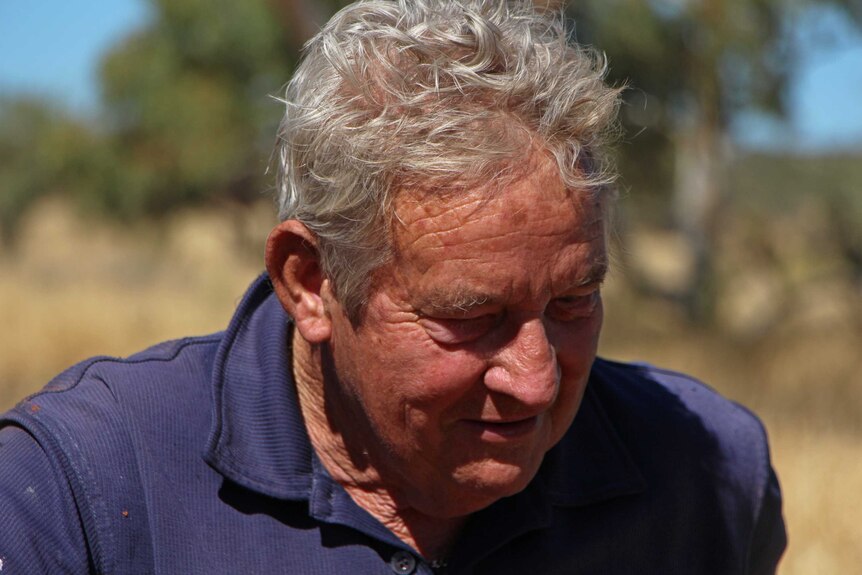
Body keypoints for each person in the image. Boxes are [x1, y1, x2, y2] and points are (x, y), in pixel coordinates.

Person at [0, 1, 786, 573]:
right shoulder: (81, 493)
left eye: (574, 301)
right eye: (473, 314)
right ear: (309, 283)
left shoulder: (703, 473)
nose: (537, 378)